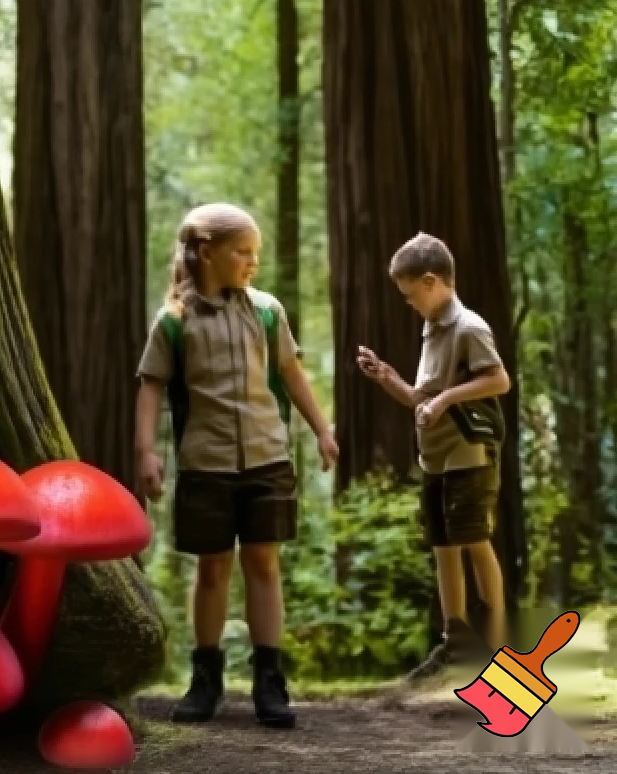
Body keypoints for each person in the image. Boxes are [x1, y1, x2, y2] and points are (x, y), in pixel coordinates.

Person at [134, 203, 338, 728]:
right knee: (213, 568)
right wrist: (147, 452)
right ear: (207, 253)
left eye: (256, 253)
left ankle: (270, 680)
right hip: (207, 460)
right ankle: (206, 678)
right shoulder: (175, 321)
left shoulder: (266, 311)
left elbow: (291, 371)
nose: (251, 261)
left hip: (267, 456)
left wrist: (321, 428)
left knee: (265, 564)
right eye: (242, 251)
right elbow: (152, 384)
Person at [357, 231, 510, 681]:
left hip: (468, 453)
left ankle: (498, 642)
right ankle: (455, 640)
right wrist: (384, 376)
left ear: (431, 281)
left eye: (409, 295)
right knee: (443, 545)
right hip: (436, 457)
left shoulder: (469, 328)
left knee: (474, 540)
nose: (408, 303)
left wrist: (447, 401)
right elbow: (418, 397)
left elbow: (499, 380)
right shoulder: (432, 330)